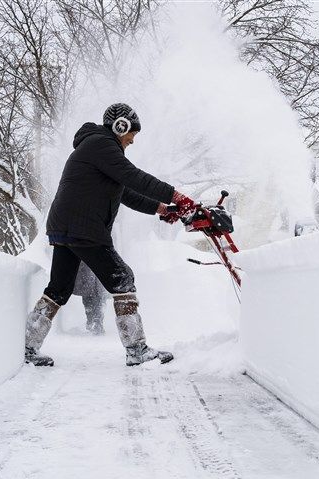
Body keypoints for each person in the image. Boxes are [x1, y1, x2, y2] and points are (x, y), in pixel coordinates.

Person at [24, 103, 194, 367]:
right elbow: (134, 176)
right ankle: (136, 349)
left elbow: (125, 191)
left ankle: (27, 347)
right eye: (131, 134)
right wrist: (177, 196)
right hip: (84, 227)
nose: (132, 140)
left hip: (66, 227)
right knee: (122, 279)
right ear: (120, 126)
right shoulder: (101, 145)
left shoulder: (96, 149)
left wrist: (161, 208)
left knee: (59, 289)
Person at [73, 261, 107, 335]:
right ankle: (92, 321)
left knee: (98, 301)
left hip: (96, 281)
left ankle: (97, 323)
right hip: (88, 280)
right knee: (89, 302)